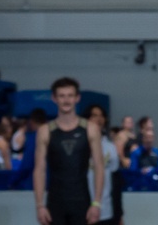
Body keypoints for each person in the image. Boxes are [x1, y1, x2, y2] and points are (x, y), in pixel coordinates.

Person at [33, 77, 105, 225]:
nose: (66, 100)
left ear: (77, 98)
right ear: (54, 98)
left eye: (70, 95)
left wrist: (97, 203)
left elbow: (99, 166)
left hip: (82, 201)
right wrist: (40, 205)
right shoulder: (45, 131)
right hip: (55, 202)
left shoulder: (90, 129)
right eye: (62, 96)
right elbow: (39, 169)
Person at [82, 105, 122, 225]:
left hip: (106, 210)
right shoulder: (80, 145)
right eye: (94, 115)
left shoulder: (111, 147)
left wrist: (119, 214)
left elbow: (115, 183)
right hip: (81, 208)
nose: (98, 119)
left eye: (101, 116)